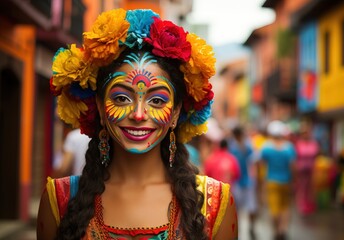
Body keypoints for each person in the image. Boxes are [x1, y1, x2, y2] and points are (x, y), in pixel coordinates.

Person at [37, 8, 238, 240]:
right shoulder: (58, 201)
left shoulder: (216, 204)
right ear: (100, 109)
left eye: (157, 100)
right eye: (122, 98)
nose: (139, 114)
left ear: (175, 113)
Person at [258, 120, 296, 240]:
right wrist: (294, 180)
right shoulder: (289, 148)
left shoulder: (266, 148)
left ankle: (276, 229)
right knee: (285, 207)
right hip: (286, 181)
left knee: (274, 208)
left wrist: (261, 183)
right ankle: (282, 229)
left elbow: (261, 165)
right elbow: (293, 166)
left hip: (271, 182)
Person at [228, 126, 257, 239]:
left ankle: (251, 228)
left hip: (246, 181)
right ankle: (239, 231)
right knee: (238, 209)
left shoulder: (247, 146)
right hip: (238, 181)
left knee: (251, 208)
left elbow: (252, 163)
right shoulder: (233, 147)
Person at [294, 122, 319, 215]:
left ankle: (311, 204)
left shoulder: (313, 143)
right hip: (301, 170)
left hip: (311, 169)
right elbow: (295, 157)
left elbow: (316, 155)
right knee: (302, 187)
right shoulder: (298, 144)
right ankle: (302, 204)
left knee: (311, 187)